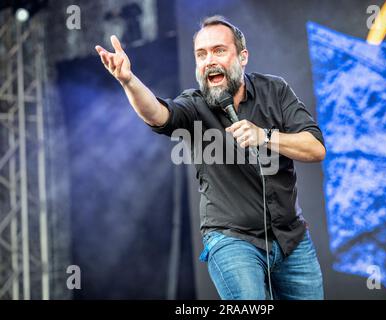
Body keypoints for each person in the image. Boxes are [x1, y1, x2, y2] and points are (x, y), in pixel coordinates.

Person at [95, 15, 326, 300]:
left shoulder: (274, 91)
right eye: (201, 54)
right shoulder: (194, 105)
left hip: (291, 239)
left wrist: (265, 137)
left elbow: (315, 148)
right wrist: (129, 81)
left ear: (243, 57)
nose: (209, 61)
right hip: (232, 239)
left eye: (219, 50)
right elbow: (158, 114)